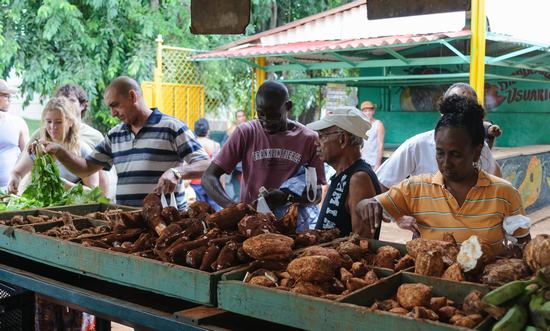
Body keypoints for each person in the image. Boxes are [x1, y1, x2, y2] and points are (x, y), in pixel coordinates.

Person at [357, 95, 530, 255]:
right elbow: (365, 205)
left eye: (455, 154)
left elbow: (523, 246)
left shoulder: (505, 194)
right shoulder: (415, 189)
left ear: (477, 152)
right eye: (440, 153)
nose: (445, 163)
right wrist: (368, 204)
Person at [35, 76, 210, 208]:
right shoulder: (114, 135)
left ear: (133, 96)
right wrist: (59, 151)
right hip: (129, 222)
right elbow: (86, 167)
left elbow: (206, 164)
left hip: (168, 225)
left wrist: (177, 173)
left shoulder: (171, 127)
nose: (112, 113)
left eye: (115, 105)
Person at [202, 80, 326, 209]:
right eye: (261, 114)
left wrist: (287, 197)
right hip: (253, 224)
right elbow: (209, 177)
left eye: (273, 115)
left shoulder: (309, 139)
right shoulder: (246, 133)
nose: (266, 122)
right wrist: (233, 208)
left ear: (288, 106)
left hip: (293, 224)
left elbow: (316, 195)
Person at [375, 82, 500, 192]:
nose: (446, 163)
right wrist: (400, 216)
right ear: (442, 112)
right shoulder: (417, 146)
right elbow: (381, 183)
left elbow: (495, 182)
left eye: (467, 112)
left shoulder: (481, 147)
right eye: (440, 153)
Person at [8, 84, 111, 195]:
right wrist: (14, 179)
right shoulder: (38, 147)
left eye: (58, 122)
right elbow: (17, 172)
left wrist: (62, 184)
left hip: (71, 209)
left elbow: (93, 193)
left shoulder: (82, 149)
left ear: (70, 122)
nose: (53, 127)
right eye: (49, 121)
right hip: (40, 206)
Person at [307, 107, 382, 238]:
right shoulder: (342, 175)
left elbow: (362, 243)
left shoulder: (359, 179)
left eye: (322, 136)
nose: (316, 142)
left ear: (343, 139)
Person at [0, 79, 29, 191]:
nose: (10, 100)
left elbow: (28, 156)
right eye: (6, 96)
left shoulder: (18, 123)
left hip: (10, 191)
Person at [190, 118, 221, 211]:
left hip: (195, 183)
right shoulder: (215, 145)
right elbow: (219, 167)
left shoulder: (191, 145)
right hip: (212, 182)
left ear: (195, 130)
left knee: (199, 213)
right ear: (208, 130)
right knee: (215, 213)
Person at [223, 109, 247, 202]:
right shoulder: (231, 130)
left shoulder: (250, 128)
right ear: (236, 119)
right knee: (229, 183)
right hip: (234, 163)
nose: (241, 118)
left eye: (243, 116)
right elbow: (225, 147)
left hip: (244, 164)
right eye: (239, 116)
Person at [360, 101, 385, 171]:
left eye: (370, 110)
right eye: (365, 111)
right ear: (362, 113)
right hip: (363, 160)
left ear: (373, 111)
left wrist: (378, 164)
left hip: (374, 161)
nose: (368, 113)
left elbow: (380, 145)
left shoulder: (378, 124)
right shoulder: (361, 125)